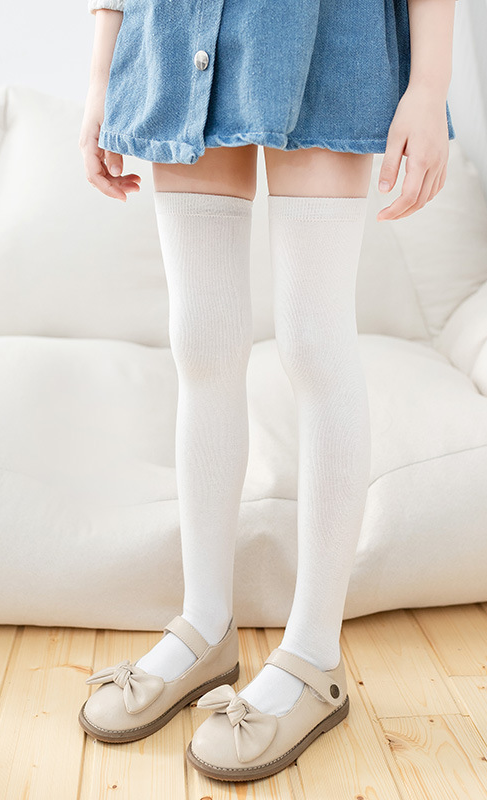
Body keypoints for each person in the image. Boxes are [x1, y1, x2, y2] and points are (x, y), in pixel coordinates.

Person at [77, 0, 457, 782]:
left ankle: (314, 654)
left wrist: (430, 83)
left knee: (315, 342)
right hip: (180, 23)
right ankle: (205, 624)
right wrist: (100, 76)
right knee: (203, 341)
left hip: (328, 27)